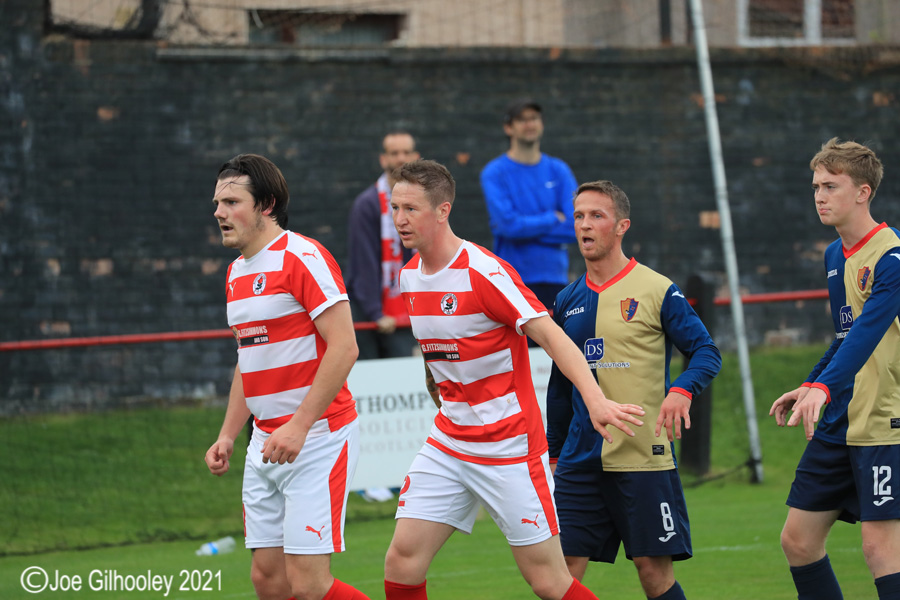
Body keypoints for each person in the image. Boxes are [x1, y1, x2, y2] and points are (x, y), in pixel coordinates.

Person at [382, 159, 646, 600]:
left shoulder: (483, 272)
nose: (400, 219)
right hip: (449, 441)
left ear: (443, 210)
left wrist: (596, 399)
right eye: (395, 208)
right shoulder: (410, 276)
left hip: (508, 445)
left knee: (549, 581)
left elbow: (555, 338)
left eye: (411, 209)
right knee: (402, 563)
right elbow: (437, 351)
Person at [204, 154, 370, 600]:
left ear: (267, 205)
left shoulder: (304, 257)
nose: (218, 212)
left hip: (317, 438)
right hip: (265, 443)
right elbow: (249, 360)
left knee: (309, 584)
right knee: (268, 581)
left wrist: (299, 425)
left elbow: (345, 346)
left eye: (231, 202)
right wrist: (228, 435)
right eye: (217, 202)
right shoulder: (235, 273)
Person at [545, 180, 721, 600]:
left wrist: (682, 390)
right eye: (579, 216)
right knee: (558, 577)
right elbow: (559, 385)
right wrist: (553, 452)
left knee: (653, 574)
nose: (585, 225)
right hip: (578, 462)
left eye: (597, 216)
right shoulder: (567, 300)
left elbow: (706, 352)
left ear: (622, 226)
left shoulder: (657, 289)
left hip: (643, 457)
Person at [769, 138, 900, 600]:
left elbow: (868, 333)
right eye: (815, 187)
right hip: (841, 417)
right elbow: (845, 335)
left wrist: (822, 389)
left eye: (830, 186)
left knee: (880, 548)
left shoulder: (892, 257)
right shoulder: (833, 255)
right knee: (798, 541)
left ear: (863, 192)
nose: (819, 196)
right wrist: (811, 383)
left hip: (884, 419)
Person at [479, 98, 578, 313]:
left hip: (555, 279)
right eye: (522, 119)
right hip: (511, 280)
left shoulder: (559, 170)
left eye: (534, 118)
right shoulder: (494, 173)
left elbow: (575, 227)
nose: (530, 124)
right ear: (508, 128)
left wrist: (521, 230)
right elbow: (508, 226)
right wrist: (553, 218)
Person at [347, 131, 420, 359]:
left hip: (407, 309)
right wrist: (375, 312)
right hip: (370, 310)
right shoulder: (367, 205)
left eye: (406, 152)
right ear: (383, 159)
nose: (401, 158)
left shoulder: (423, 202)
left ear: (416, 157)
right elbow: (364, 262)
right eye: (394, 153)